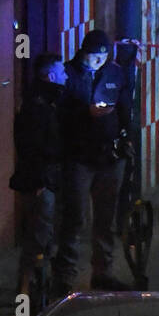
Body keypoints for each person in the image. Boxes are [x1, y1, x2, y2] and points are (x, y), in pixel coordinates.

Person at [54, 29, 134, 295]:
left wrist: (125, 138)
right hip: (79, 156)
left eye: (103, 55)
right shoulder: (69, 74)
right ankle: (65, 276)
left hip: (110, 157)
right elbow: (59, 114)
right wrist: (84, 113)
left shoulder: (115, 72)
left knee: (106, 217)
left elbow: (125, 108)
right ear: (83, 52)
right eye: (93, 55)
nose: (98, 60)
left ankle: (103, 272)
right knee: (75, 216)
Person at [9, 53, 66, 298]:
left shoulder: (43, 101)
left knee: (42, 237)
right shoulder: (38, 106)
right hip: (40, 182)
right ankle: (29, 290)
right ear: (51, 75)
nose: (65, 76)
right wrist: (41, 181)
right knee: (38, 238)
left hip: (43, 180)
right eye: (61, 72)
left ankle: (36, 288)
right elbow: (33, 147)